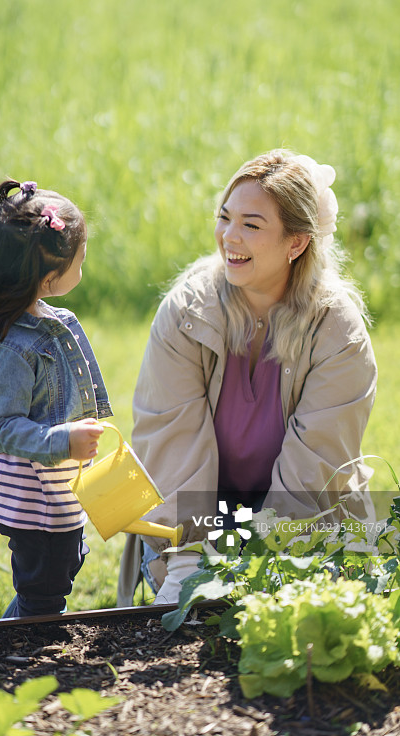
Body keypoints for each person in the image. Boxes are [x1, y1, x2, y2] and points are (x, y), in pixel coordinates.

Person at [117, 149, 377, 607]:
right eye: (225, 217)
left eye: (252, 225)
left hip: (303, 528)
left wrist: (261, 564)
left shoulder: (338, 330)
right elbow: (169, 438)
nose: (229, 237)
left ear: (296, 243)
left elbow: (315, 465)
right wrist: (189, 559)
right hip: (198, 527)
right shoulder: (185, 314)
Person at [0, 179, 112, 617]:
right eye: (81, 257)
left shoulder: (50, 320)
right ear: (49, 277)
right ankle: (24, 652)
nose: (85, 262)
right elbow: (0, 426)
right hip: (33, 502)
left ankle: (17, 633)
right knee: (44, 593)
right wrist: (64, 440)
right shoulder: (10, 346)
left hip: (57, 492)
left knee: (58, 573)